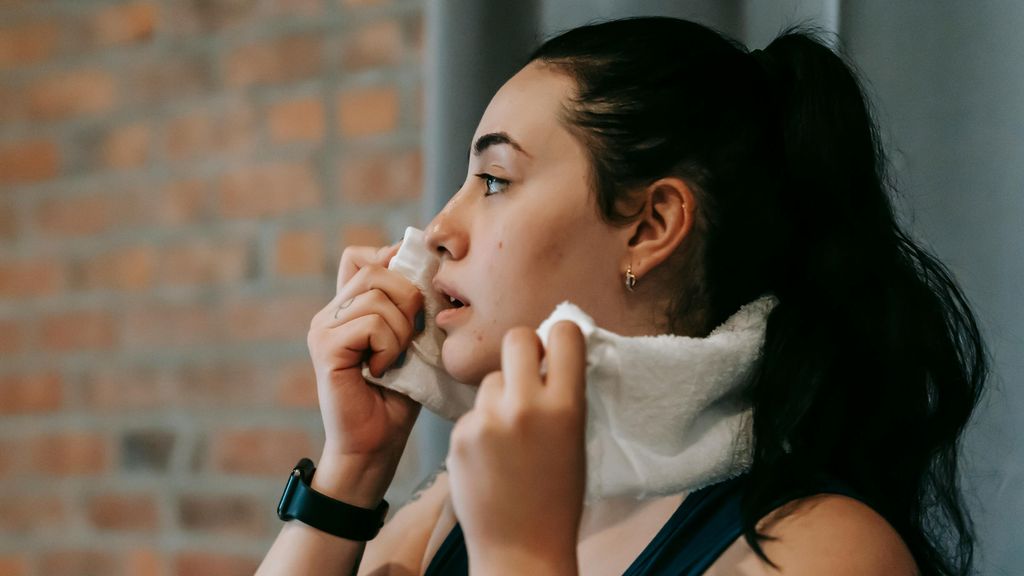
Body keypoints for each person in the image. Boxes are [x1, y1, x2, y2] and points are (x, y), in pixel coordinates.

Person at [257, 16, 986, 576]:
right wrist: (354, 466)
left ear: (652, 225)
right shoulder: (450, 505)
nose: (440, 229)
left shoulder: (824, 549)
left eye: (495, 181)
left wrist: (522, 555)